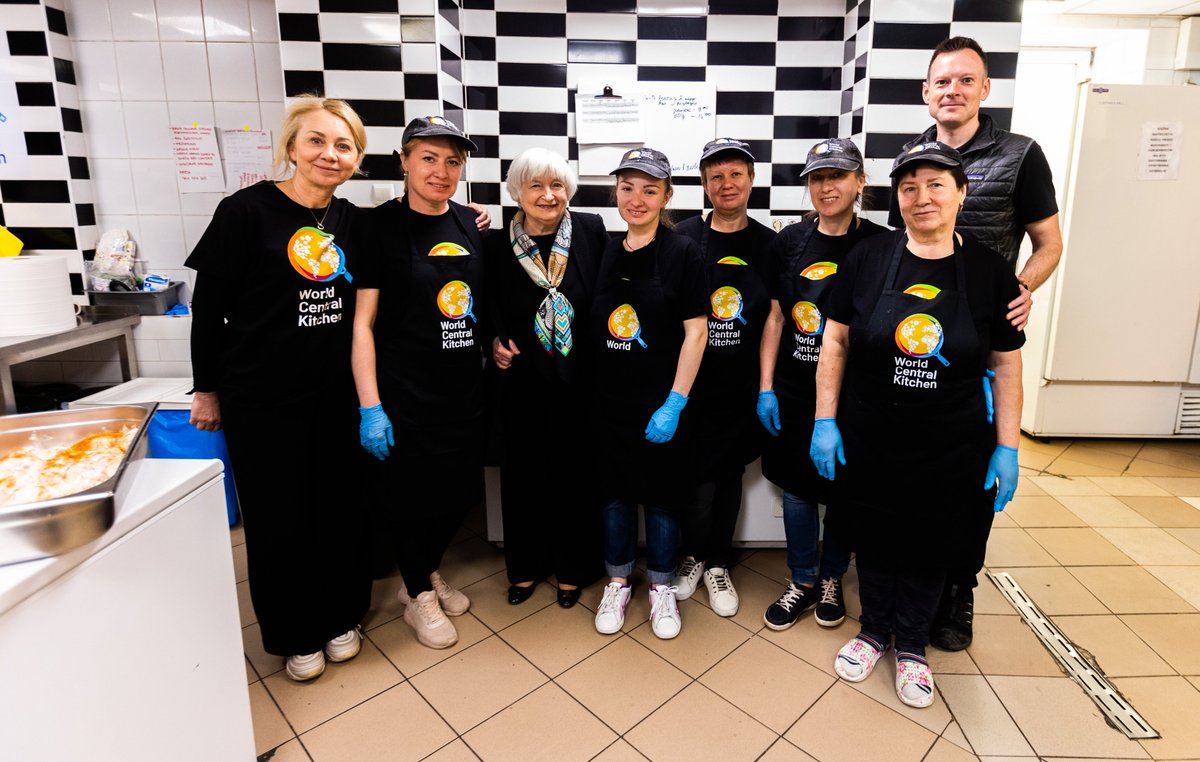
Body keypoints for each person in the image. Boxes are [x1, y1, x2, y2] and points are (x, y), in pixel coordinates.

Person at [813, 142, 1023, 709]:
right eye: (909, 187)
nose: (921, 197)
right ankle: (873, 632)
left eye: (935, 185)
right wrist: (824, 422)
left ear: (961, 192)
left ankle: (912, 649)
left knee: (930, 546)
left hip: (950, 443)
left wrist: (1008, 446)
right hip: (871, 434)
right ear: (897, 198)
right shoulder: (869, 258)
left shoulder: (987, 271)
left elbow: (1005, 364)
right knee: (876, 541)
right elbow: (834, 339)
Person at [188, 96, 371, 682]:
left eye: (343, 145)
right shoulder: (246, 212)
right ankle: (295, 633)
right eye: (317, 141)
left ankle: (341, 615)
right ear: (291, 147)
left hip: (333, 396)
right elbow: (208, 310)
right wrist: (206, 390)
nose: (329, 154)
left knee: (337, 510)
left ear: (356, 159)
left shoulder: (348, 221)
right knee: (276, 519)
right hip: (260, 397)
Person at [891, 35, 1061, 651]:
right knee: (925, 466)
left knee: (979, 475)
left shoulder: (1020, 155)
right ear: (926, 92)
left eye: (966, 80)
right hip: (923, 332)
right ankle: (908, 579)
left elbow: (1049, 244)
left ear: (985, 89)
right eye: (942, 82)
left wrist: (1020, 288)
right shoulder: (912, 158)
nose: (953, 91)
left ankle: (959, 591)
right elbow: (897, 247)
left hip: (988, 331)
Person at [352, 115, 486, 650]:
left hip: (463, 389)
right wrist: (370, 405)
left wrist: (495, 343)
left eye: (452, 161)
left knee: (455, 495)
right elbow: (362, 323)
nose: (441, 171)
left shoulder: (467, 223)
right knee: (410, 499)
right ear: (404, 160)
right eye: (428, 158)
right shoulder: (377, 228)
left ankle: (425, 570)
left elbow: (478, 300)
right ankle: (417, 594)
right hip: (404, 391)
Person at [756, 138, 887, 631]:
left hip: (854, 393)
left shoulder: (879, 245)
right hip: (793, 385)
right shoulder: (788, 241)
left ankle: (833, 577)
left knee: (844, 490)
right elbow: (775, 317)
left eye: (837, 176)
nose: (826, 187)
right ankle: (803, 578)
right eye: (817, 178)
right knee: (797, 489)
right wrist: (766, 385)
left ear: (859, 181)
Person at [591, 148, 707, 640]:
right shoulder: (603, 248)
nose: (636, 199)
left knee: (661, 499)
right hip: (609, 402)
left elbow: (697, 331)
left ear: (667, 196)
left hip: (661, 402)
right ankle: (617, 580)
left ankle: (660, 588)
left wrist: (675, 403)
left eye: (649, 189)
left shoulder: (683, 251)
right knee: (615, 497)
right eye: (627, 187)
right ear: (616, 191)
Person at [486, 148, 608, 608]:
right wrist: (492, 341)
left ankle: (574, 569)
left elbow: (608, 291)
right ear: (518, 191)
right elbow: (486, 303)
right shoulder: (498, 244)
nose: (548, 194)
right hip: (522, 381)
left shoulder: (591, 231)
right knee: (523, 479)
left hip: (580, 379)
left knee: (576, 477)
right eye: (536, 185)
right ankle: (525, 568)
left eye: (557, 185)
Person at [671, 138, 775, 617]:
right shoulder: (683, 235)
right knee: (693, 479)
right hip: (690, 384)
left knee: (728, 475)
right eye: (716, 176)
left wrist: (766, 387)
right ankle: (692, 558)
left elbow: (775, 316)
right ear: (704, 184)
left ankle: (718, 564)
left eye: (736, 175)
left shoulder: (769, 243)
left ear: (751, 180)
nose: (726, 184)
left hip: (740, 384)